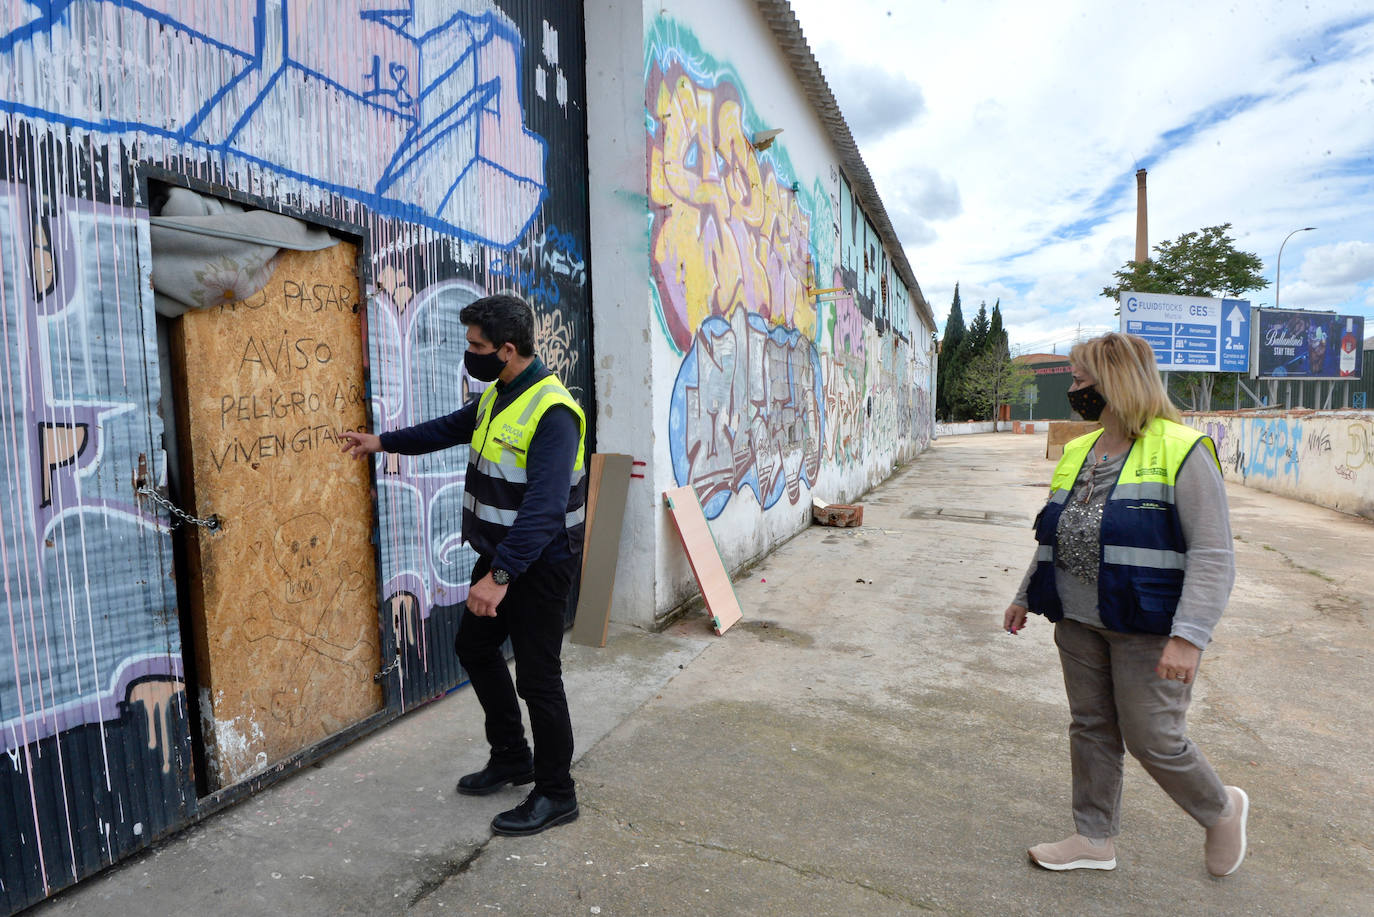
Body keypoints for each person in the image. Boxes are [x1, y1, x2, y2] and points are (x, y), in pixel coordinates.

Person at [1002, 332, 1249, 877]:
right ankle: (1093, 838)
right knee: (1090, 727)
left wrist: (1189, 636)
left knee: (1154, 738)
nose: (1073, 389)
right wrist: (1024, 594)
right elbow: (1057, 535)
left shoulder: (1181, 449)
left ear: (1115, 382)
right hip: (1077, 621)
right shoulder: (1078, 449)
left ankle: (1221, 808)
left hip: (1148, 626)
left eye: (1080, 379)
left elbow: (1213, 553)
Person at [341, 293, 586, 837]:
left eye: (475, 345)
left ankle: (556, 793)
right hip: (501, 557)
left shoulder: (553, 412)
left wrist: (499, 580)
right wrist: (380, 441)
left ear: (506, 348)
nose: (467, 352)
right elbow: (447, 429)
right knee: (473, 647)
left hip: (538, 566)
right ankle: (512, 756)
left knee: (540, 679)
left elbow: (545, 509)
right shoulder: (500, 395)